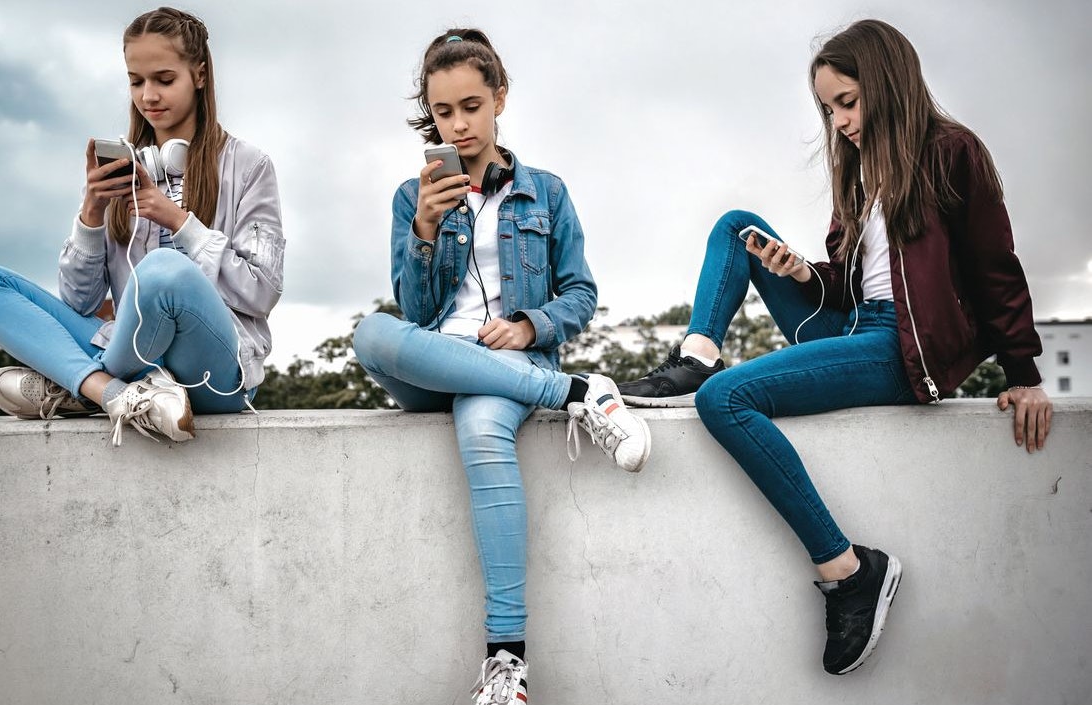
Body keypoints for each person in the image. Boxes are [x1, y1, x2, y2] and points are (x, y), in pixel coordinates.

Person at [618, 19, 1052, 674]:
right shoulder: (860, 173)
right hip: (854, 327)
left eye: (847, 101)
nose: (840, 120)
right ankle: (697, 351)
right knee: (737, 227)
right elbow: (851, 287)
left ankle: (849, 571)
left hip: (901, 348)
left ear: (887, 83)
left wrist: (1024, 371)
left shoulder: (952, 151)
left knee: (726, 400)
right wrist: (801, 274)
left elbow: (996, 267)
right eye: (829, 108)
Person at [350, 29, 651, 704]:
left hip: (504, 370)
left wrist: (528, 326)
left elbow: (580, 293)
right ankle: (574, 391)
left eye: (470, 106)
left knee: (483, 431)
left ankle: (507, 663)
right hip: (436, 361)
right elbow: (415, 307)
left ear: (499, 101)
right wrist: (424, 232)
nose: (457, 125)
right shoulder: (412, 196)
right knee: (370, 332)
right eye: (443, 112)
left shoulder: (546, 193)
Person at [0, 7, 284, 445]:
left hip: (214, 375)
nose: (148, 95)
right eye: (136, 81)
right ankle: (109, 393)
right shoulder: (125, 169)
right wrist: (91, 213)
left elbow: (262, 290)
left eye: (164, 80)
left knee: (163, 270)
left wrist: (179, 221)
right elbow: (80, 302)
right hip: (129, 360)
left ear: (199, 76)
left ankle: (77, 384)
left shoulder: (249, 166)